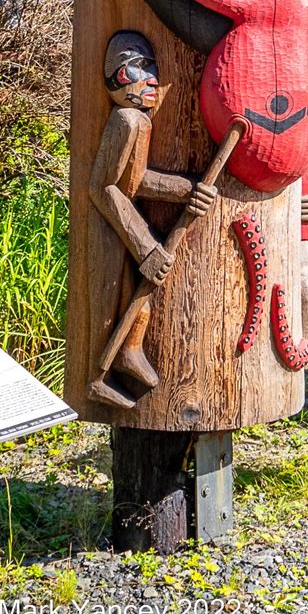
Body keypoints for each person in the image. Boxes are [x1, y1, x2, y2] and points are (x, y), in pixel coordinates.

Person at [87, 30, 216, 408]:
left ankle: (127, 353)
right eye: (139, 68)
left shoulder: (140, 122)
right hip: (109, 225)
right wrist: (145, 246)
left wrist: (186, 189)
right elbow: (104, 188)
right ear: (114, 75)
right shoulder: (125, 120)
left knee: (136, 298)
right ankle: (97, 375)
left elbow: (137, 179)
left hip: (126, 220)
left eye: (154, 68)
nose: (153, 78)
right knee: (110, 301)